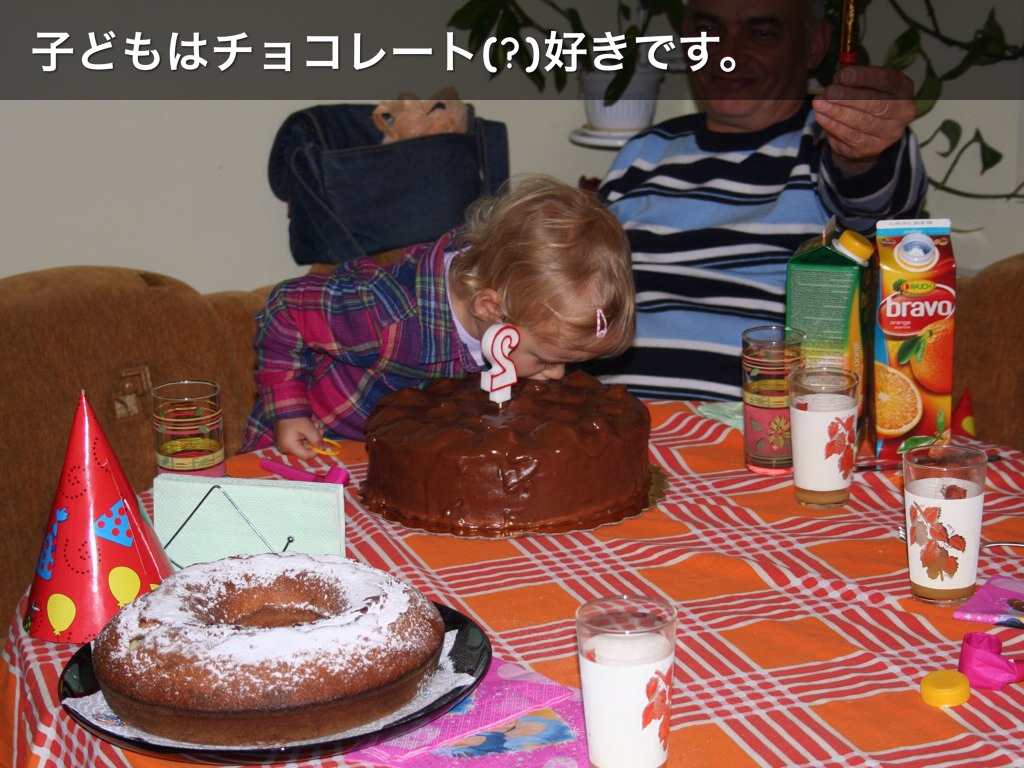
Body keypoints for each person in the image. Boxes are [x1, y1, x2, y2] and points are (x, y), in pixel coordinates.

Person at [586, 0, 927, 401]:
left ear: (814, 45)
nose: (728, 53)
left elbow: (876, 206)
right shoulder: (641, 153)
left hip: (757, 426)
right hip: (607, 418)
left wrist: (863, 154)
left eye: (762, 33)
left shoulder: (830, 144)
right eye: (710, 30)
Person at [242, 174, 636, 458]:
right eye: (546, 359)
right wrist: (290, 413)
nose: (556, 374)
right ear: (489, 308)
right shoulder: (388, 316)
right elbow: (284, 310)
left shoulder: (505, 315)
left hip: (386, 459)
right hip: (305, 450)